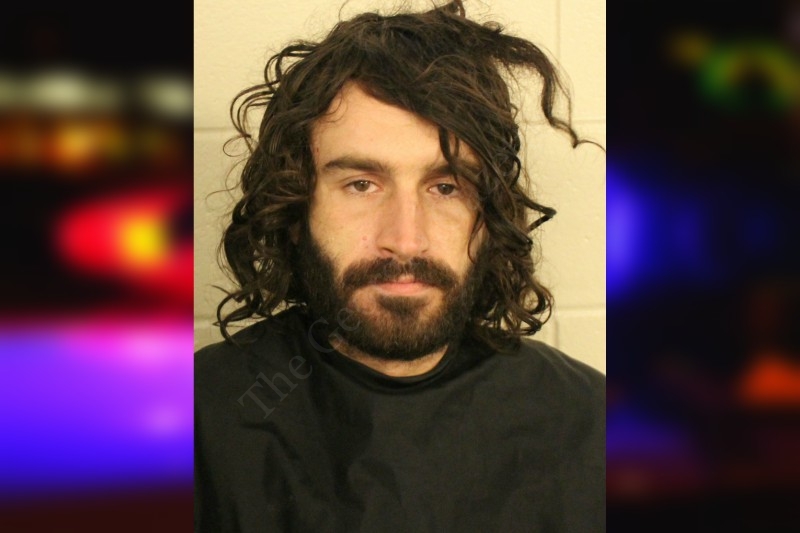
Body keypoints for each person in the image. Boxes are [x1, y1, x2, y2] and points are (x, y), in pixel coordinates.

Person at [194, 1, 605, 531]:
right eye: (361, 184)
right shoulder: (195, 424)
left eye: (446, 187)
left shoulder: (591, 425)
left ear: (491, 214)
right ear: (295, 209)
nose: (406, 240)